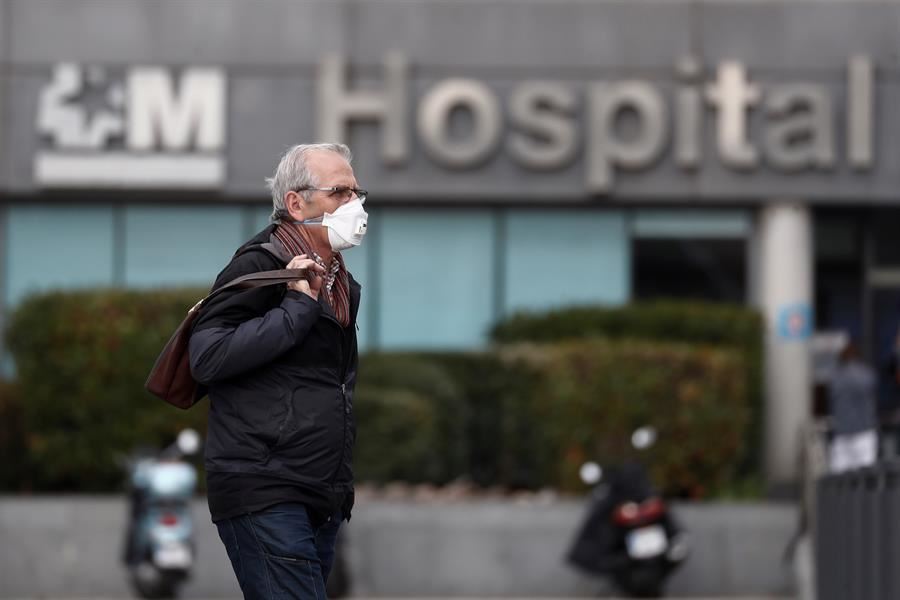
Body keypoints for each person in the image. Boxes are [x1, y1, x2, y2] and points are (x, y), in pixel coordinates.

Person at [188, 143, 367, 599]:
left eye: (357, 192)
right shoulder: (260, 264)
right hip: (265, 486)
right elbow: (207, 355)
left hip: (319, 492)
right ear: (295, 203)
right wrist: (295, 308)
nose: (355, 204)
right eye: (339, 193)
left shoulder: (338, 280)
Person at [827, 341, 878, 473]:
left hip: (842, 433)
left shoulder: (836, 377)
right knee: (865, 476)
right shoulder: (866, 374)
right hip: (864, 431)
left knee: (839, 477)